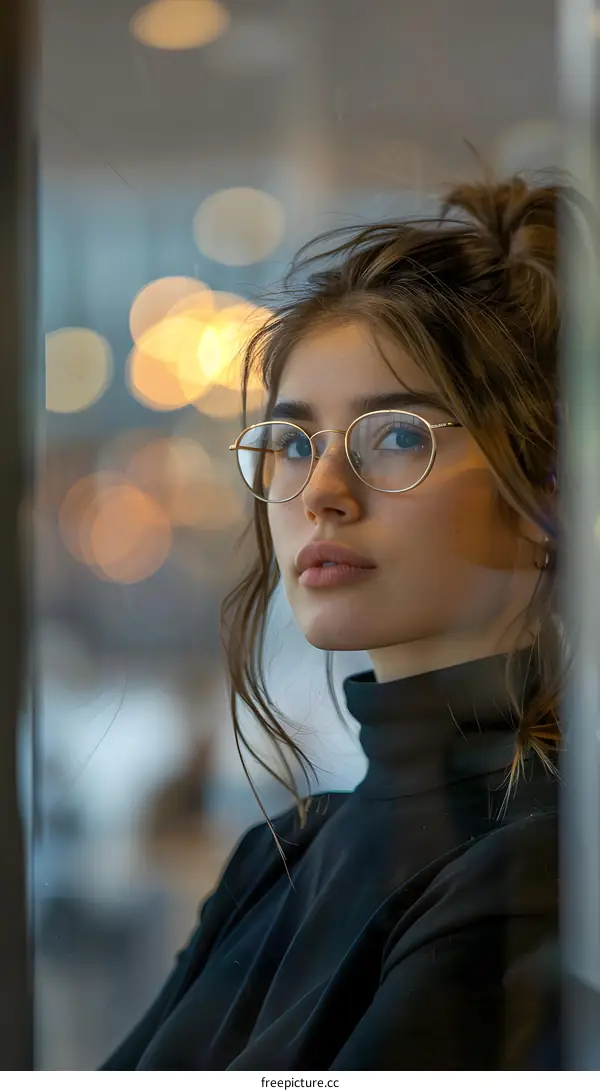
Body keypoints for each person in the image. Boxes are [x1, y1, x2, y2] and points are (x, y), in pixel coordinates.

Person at [100, 174, 572, 1071]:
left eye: (395, 434)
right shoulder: (280, 855)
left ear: (548, 485)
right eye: (292, 442)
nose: (320, 492)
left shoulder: (533, 872)